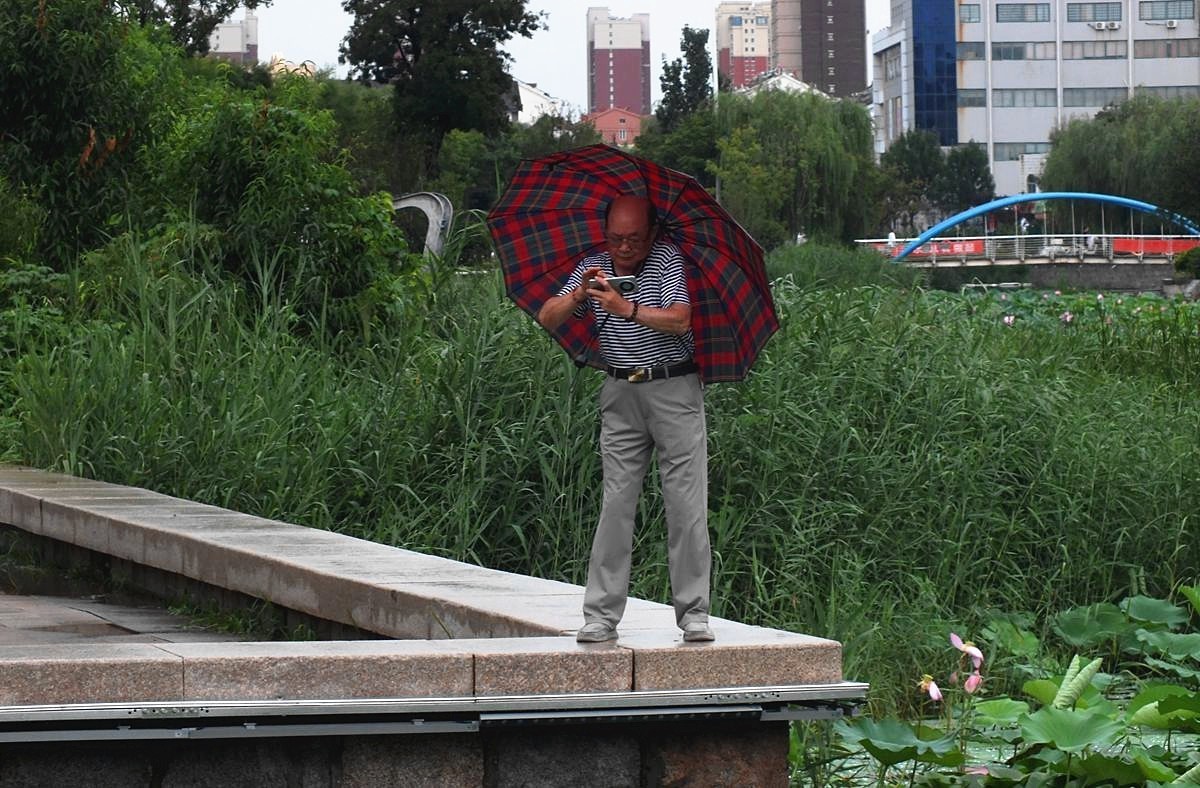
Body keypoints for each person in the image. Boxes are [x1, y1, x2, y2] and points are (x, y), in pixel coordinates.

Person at [536, 194, 714, 644]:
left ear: (651, 233)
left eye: (633, 238)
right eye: (616, 238)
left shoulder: (667, 261)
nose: (625, 247)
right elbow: (548, 316)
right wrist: (581, 293)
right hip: (620, 390)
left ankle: (694, 613)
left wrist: (625, 307)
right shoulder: (594, 266)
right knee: (615, 504)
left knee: (685, 505)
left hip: (673, 387)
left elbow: (680, 319)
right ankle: (599, 615)